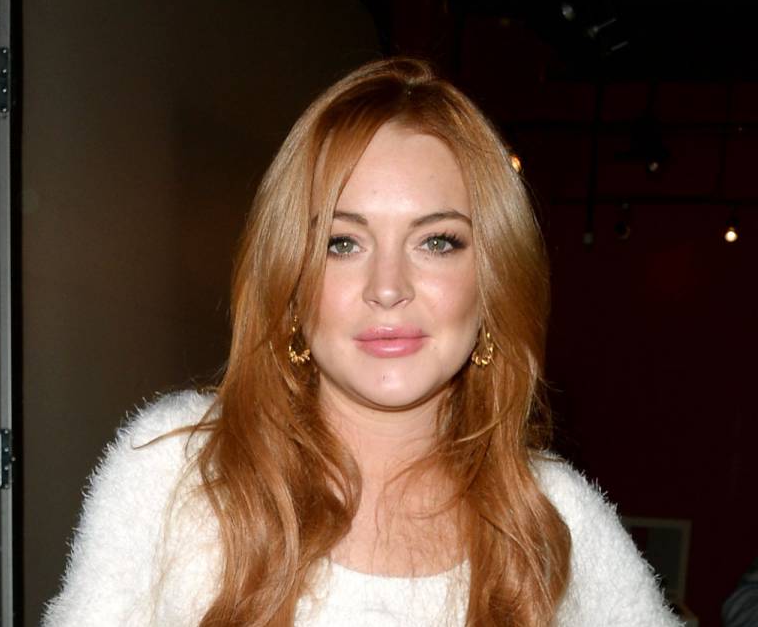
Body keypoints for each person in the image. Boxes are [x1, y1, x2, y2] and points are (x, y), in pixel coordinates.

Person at [43, 58, 679, 626]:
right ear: (290, 280)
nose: (388, 287)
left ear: (493, 279)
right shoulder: (177, 472)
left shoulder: (555, 516)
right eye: (342, 243)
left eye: (437, 241)